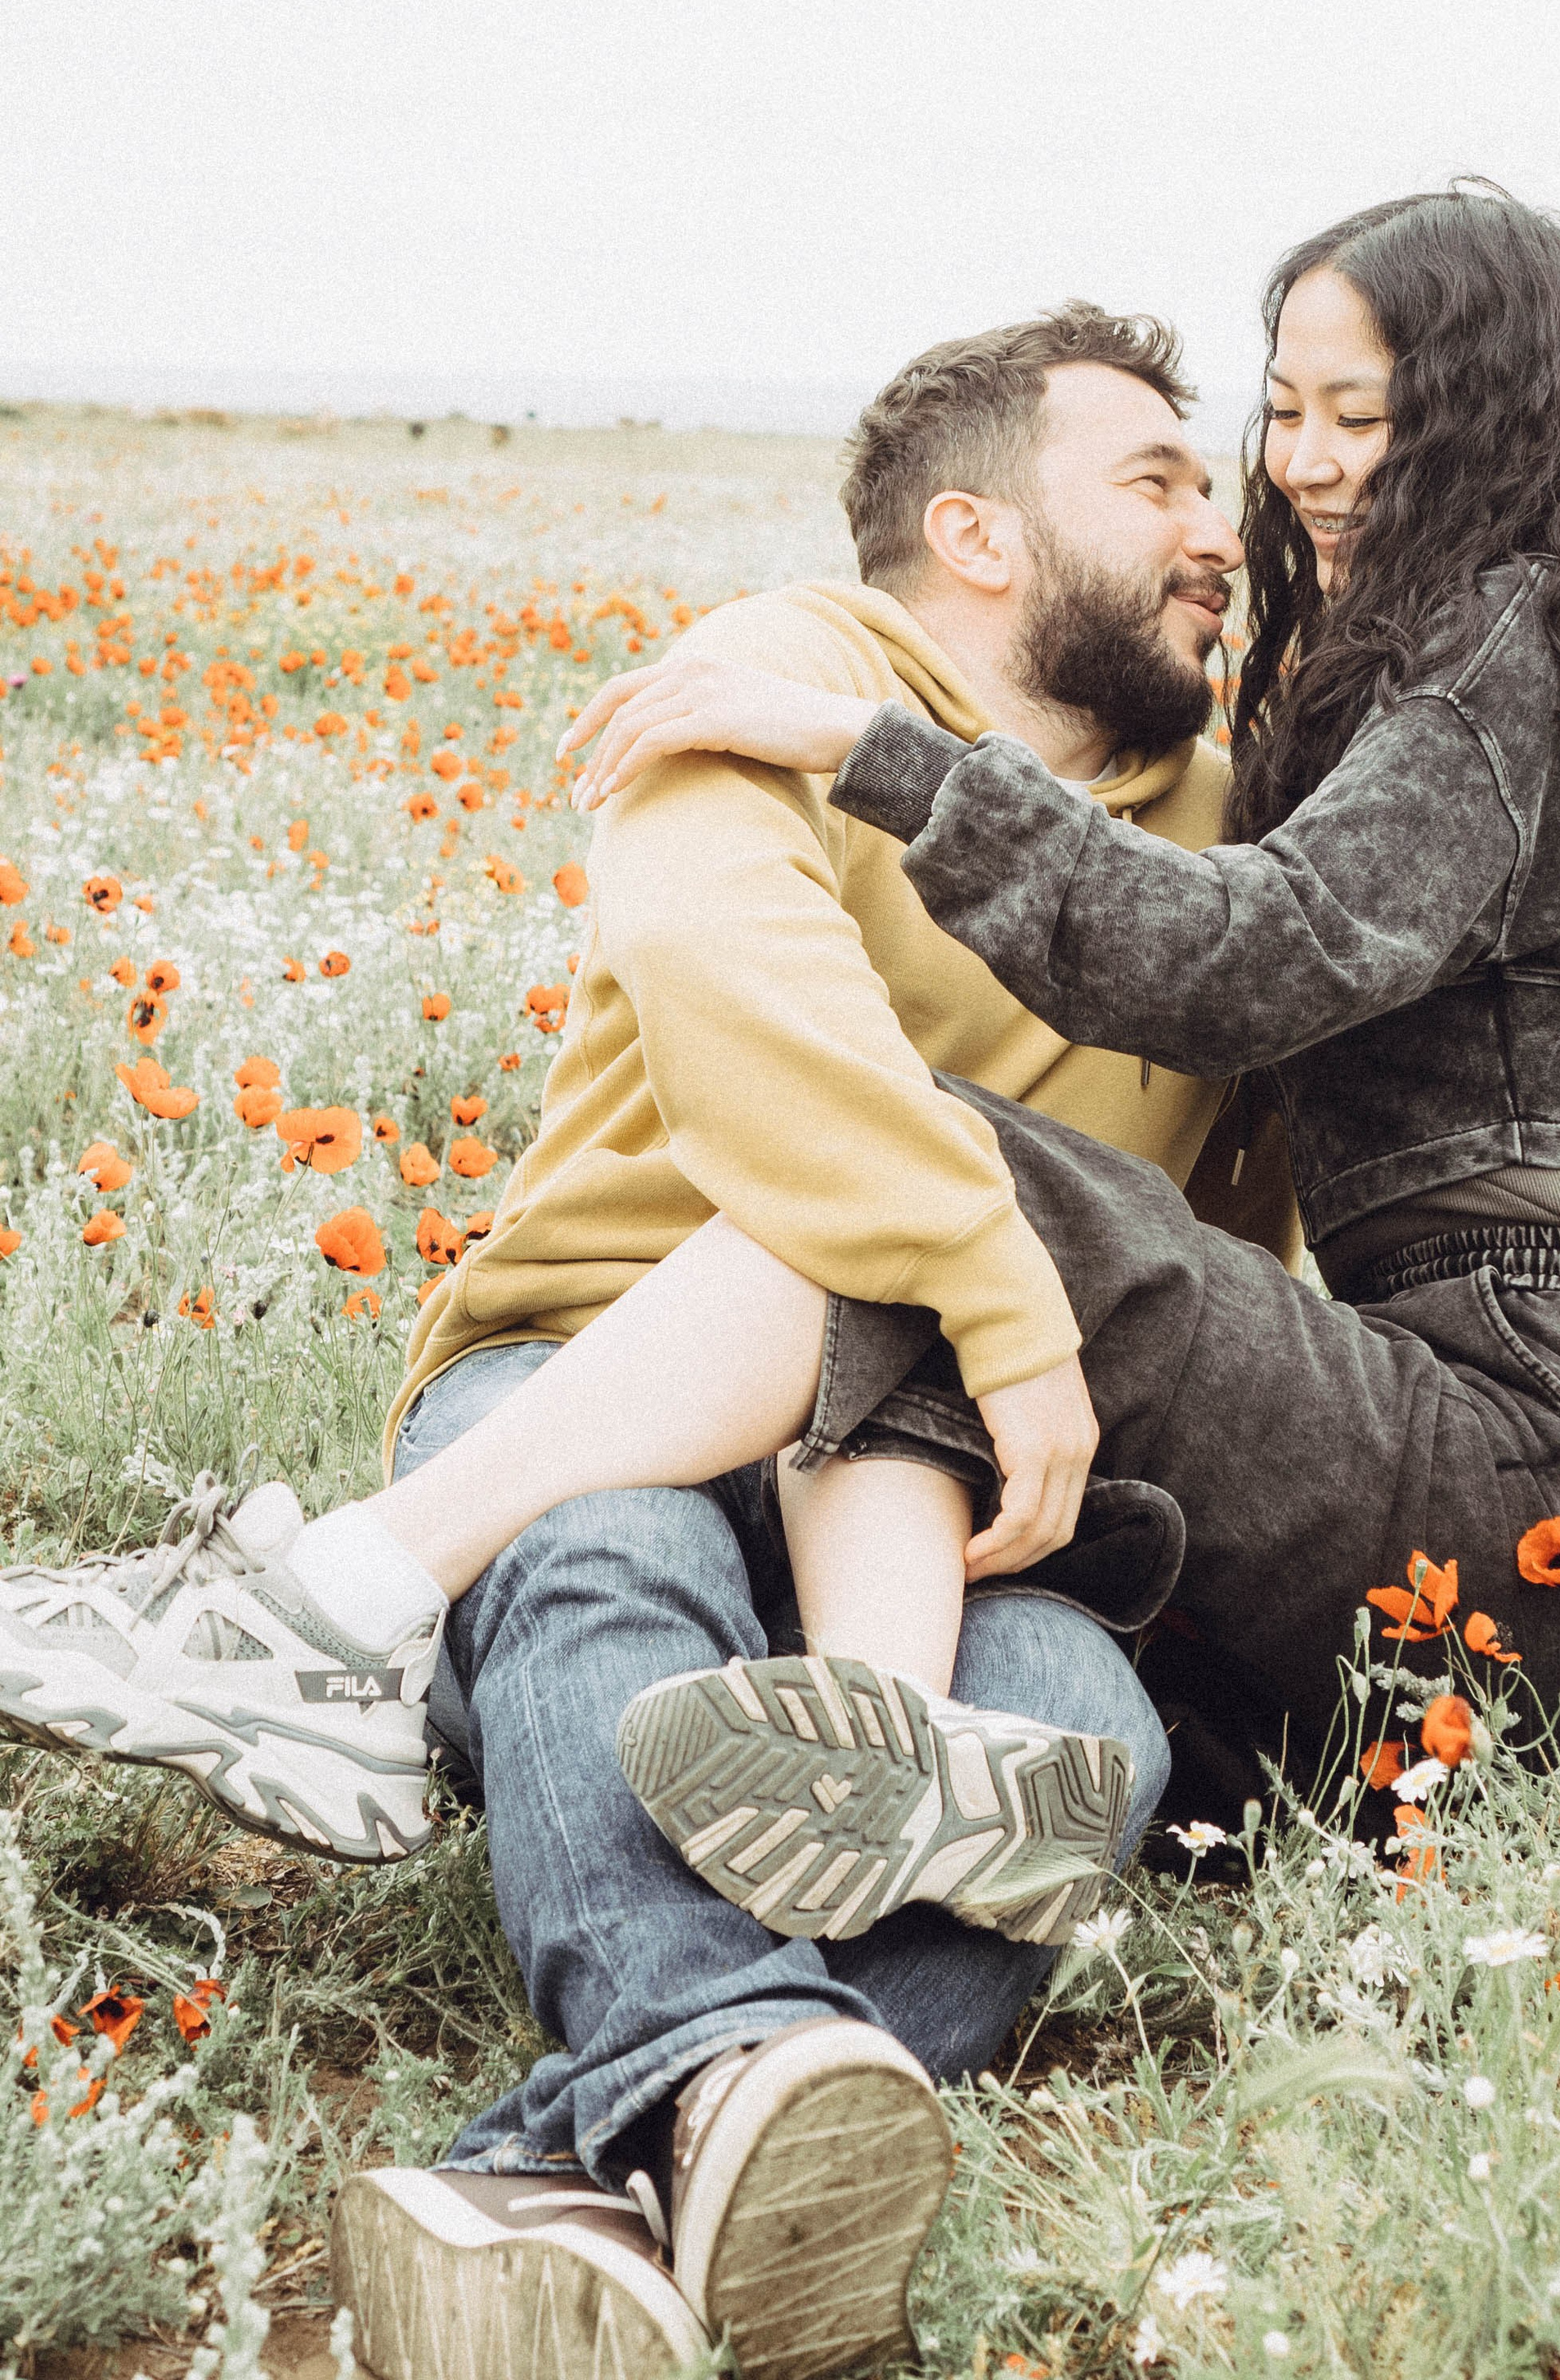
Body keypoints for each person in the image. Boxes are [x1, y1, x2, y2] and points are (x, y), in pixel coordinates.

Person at [0, 303, 1296, 2380]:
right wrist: (995, 1273)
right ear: (973, 531)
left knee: (1081, 1749)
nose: (1211, 526)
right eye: (1152, 480)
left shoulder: (1229, 827)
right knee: (619, 1562)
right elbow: (728, 967)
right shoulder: (776, 676)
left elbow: (1246, 1225)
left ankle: (599, 2179)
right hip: (601, 1362)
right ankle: (698, 2067)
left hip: (931, 1471)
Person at [543, 186, 1560, 1912]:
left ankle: (371, 1606)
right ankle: (879, 1779)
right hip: (1521, 1468)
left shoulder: (1511, 655)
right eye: (1285, 410)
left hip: (1539, 1456)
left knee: (934, 1160)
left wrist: (871, 750)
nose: (1303, 464)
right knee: (1069, 1697)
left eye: (1363, 417)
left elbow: (1243, 961)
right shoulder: (1453, 668)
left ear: (1489, 417)